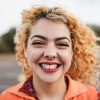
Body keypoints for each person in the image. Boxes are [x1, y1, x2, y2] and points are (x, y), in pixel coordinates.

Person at [0, 6, 99, 100]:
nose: (50, 53)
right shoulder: (6, 97)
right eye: (38, 42)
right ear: (25, 50)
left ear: (72, 52)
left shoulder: (92, 96)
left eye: (62, 44)